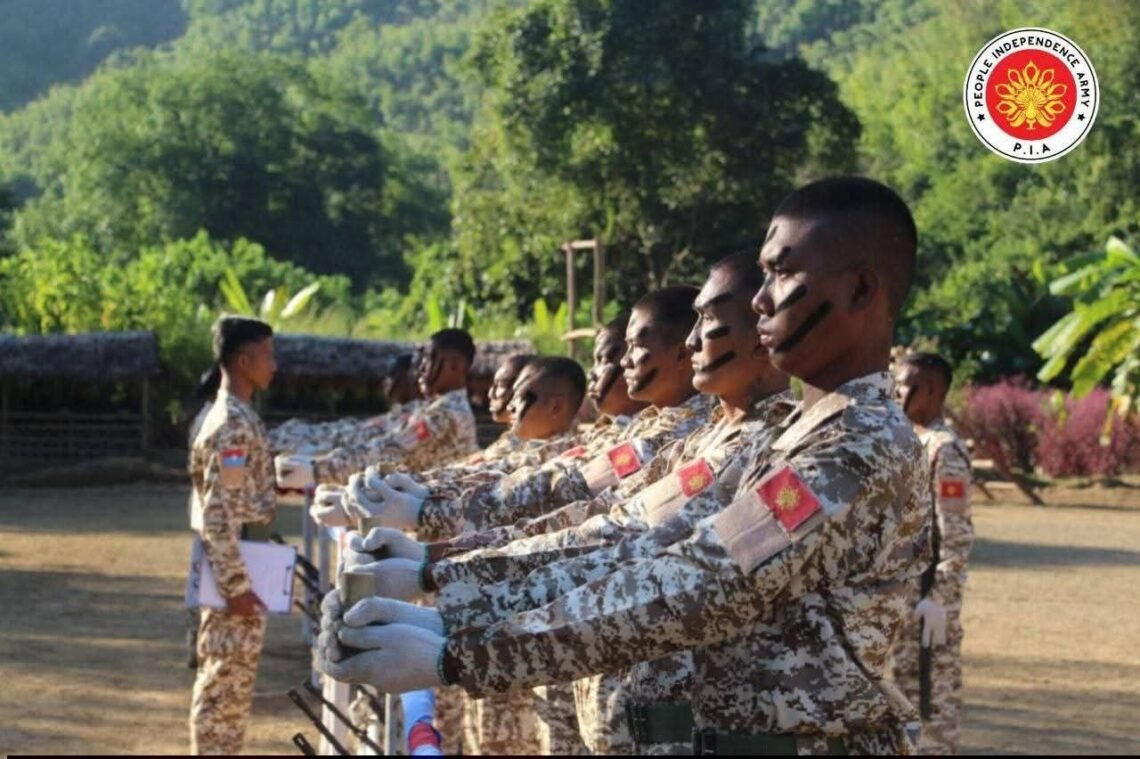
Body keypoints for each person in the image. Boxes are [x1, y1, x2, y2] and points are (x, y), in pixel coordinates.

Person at [319, 176, 933, 755]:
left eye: (783, 273)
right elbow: (629, 540)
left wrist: (456, 648)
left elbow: (702, 584)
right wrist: (443, 586)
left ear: (860, 290)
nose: (761, 300)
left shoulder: (857, 447)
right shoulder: (799, 438)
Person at [354, 287, 713, 543]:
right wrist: (425, 495)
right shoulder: (644, 427)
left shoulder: (684, 435)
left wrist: (426, 509)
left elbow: (571, 498)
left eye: (635, 348)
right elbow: (540, 470)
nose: (624, 363)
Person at [188, 316, 277, 755]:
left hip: (241, 558)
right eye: (267, 355)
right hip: (234, 568)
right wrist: (236, 586)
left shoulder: (236, 415)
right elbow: (218, 513)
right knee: (222, 687)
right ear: (244, 362)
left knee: (232, 687)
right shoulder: (232, 424)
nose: (274, 365)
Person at [891, 351, 974, 755]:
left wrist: (939, 599)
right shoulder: (912, 442)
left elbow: (955, 534)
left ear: (931, 391)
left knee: (931, 707)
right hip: (904, 602)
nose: (897, 393)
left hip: (929, 605)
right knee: (904, 704)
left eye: (904, 386)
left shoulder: (945, 451)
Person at [276, 329, 479, 489]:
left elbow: (391, 451)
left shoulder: (447, 414)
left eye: (430, 358)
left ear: (455, 365)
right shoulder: (428, 408)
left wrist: (319, 470)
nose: (421, 368)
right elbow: (368, 432)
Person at [186, 365, 223, 670]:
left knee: (200, 578)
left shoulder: (204, 416)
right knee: (208, 582)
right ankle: (200, 645)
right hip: (213, 513)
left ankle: (195, 642)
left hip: (202, 509)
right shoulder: (217, 420)